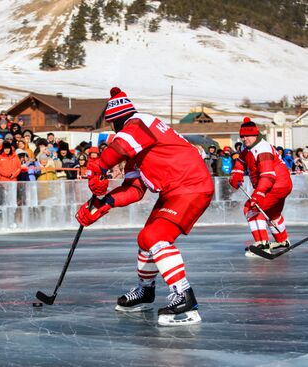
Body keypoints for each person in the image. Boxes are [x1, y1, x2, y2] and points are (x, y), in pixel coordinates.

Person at [75, 87, 214, 326]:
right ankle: (145, 290)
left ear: (115, 121)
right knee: (145, 239)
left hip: (190, 187)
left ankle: (184, 295)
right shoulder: (137, 147)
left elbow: (118, 148)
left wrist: (99, 167)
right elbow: (134, 190)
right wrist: (103, 203)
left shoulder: (139, 122)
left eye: (111, 125)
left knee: (155, 236)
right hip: (175, 191)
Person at [229, 117, 293, 257]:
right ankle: (283, 241)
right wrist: (236, 173)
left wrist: (258, 194)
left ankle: (262, 245)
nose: (244, 139)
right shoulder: (249, 148)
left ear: (255, 135)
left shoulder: (262, 150)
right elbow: (241, 160)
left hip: (274, 186)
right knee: (272, 213)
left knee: (252, 209)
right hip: (282, 185)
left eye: (247, 136)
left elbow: (268, 176)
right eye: (242, 136)